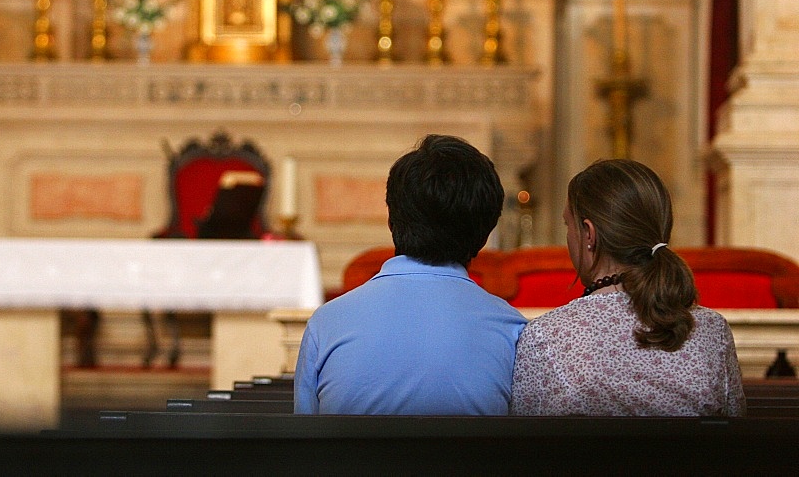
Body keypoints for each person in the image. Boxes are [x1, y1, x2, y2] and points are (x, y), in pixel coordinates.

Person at [293, 134, 527, 415]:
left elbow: (305, 447)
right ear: (485, 232)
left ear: (392, 219)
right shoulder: (514, 331)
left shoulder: (326, 324)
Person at [510, 159, 746, 416]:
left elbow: (525, 447)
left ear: (589, 234)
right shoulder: (713, 332)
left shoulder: (545, 337)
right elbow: (735, 439)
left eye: (569, 225)